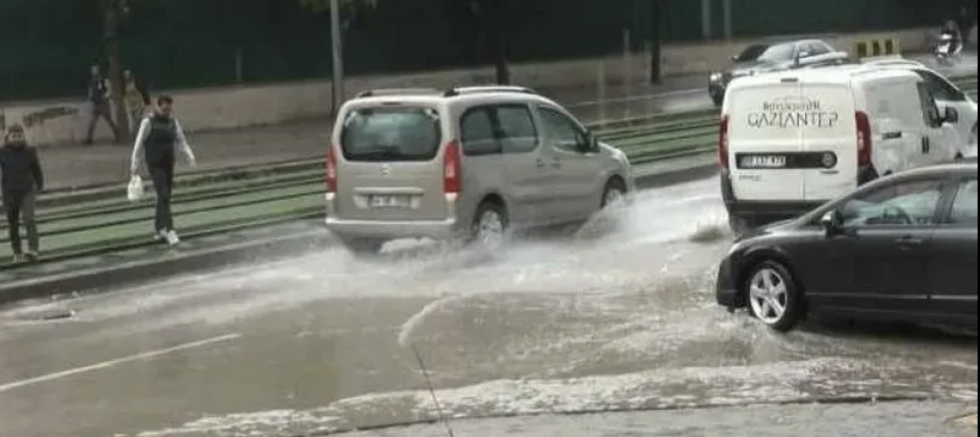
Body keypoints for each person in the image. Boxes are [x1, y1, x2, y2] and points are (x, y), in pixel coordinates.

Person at [130, 95, 196, 246]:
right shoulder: (148, 122)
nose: (167, 112)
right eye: (164, 109)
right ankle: (170, 229)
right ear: (157, 107)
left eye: (169, 109)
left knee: (164, 197)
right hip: (155, 165)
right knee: (164, 195)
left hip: (168, 164)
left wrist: (189, 156)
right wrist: (134, 165)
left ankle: (159, 229)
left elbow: (181, 140)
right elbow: (138, 144)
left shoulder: (173, 122)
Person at [0, 124, 44, 263]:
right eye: (14, 136)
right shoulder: (2, 152)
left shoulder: (30, 151)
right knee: (12, 223)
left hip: (26, 190)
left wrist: (40, 185)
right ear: (8, 137)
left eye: (20, 136)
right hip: (9, 192)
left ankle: (33, 250)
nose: (17, 139)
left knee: (28, 219)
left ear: (23, 136)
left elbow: (37, 169)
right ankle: (17, 252)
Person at [85, 64, 120, 145]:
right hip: (96, 103)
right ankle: (89, 139)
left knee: (109, 121)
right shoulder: (92, 81)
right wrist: (90, 96)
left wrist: (106, 96)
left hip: (103, 103)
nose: (93, 72)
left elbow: (109, 90)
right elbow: (91, 91)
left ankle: (118, 135)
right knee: (92, 122)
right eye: (93, 71)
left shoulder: (103, 80)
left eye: (95, 70)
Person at [123, 69, 150, 136]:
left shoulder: (136, 83)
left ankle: (139, 135)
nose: (126, 76)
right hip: (129, 106)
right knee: (131, 123)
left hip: (138, 105)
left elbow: (143, 92)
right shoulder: (122, 85)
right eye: (125, 75)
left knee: (138, 121)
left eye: (128, 74)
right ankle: (133, 135)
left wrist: (144, 103)